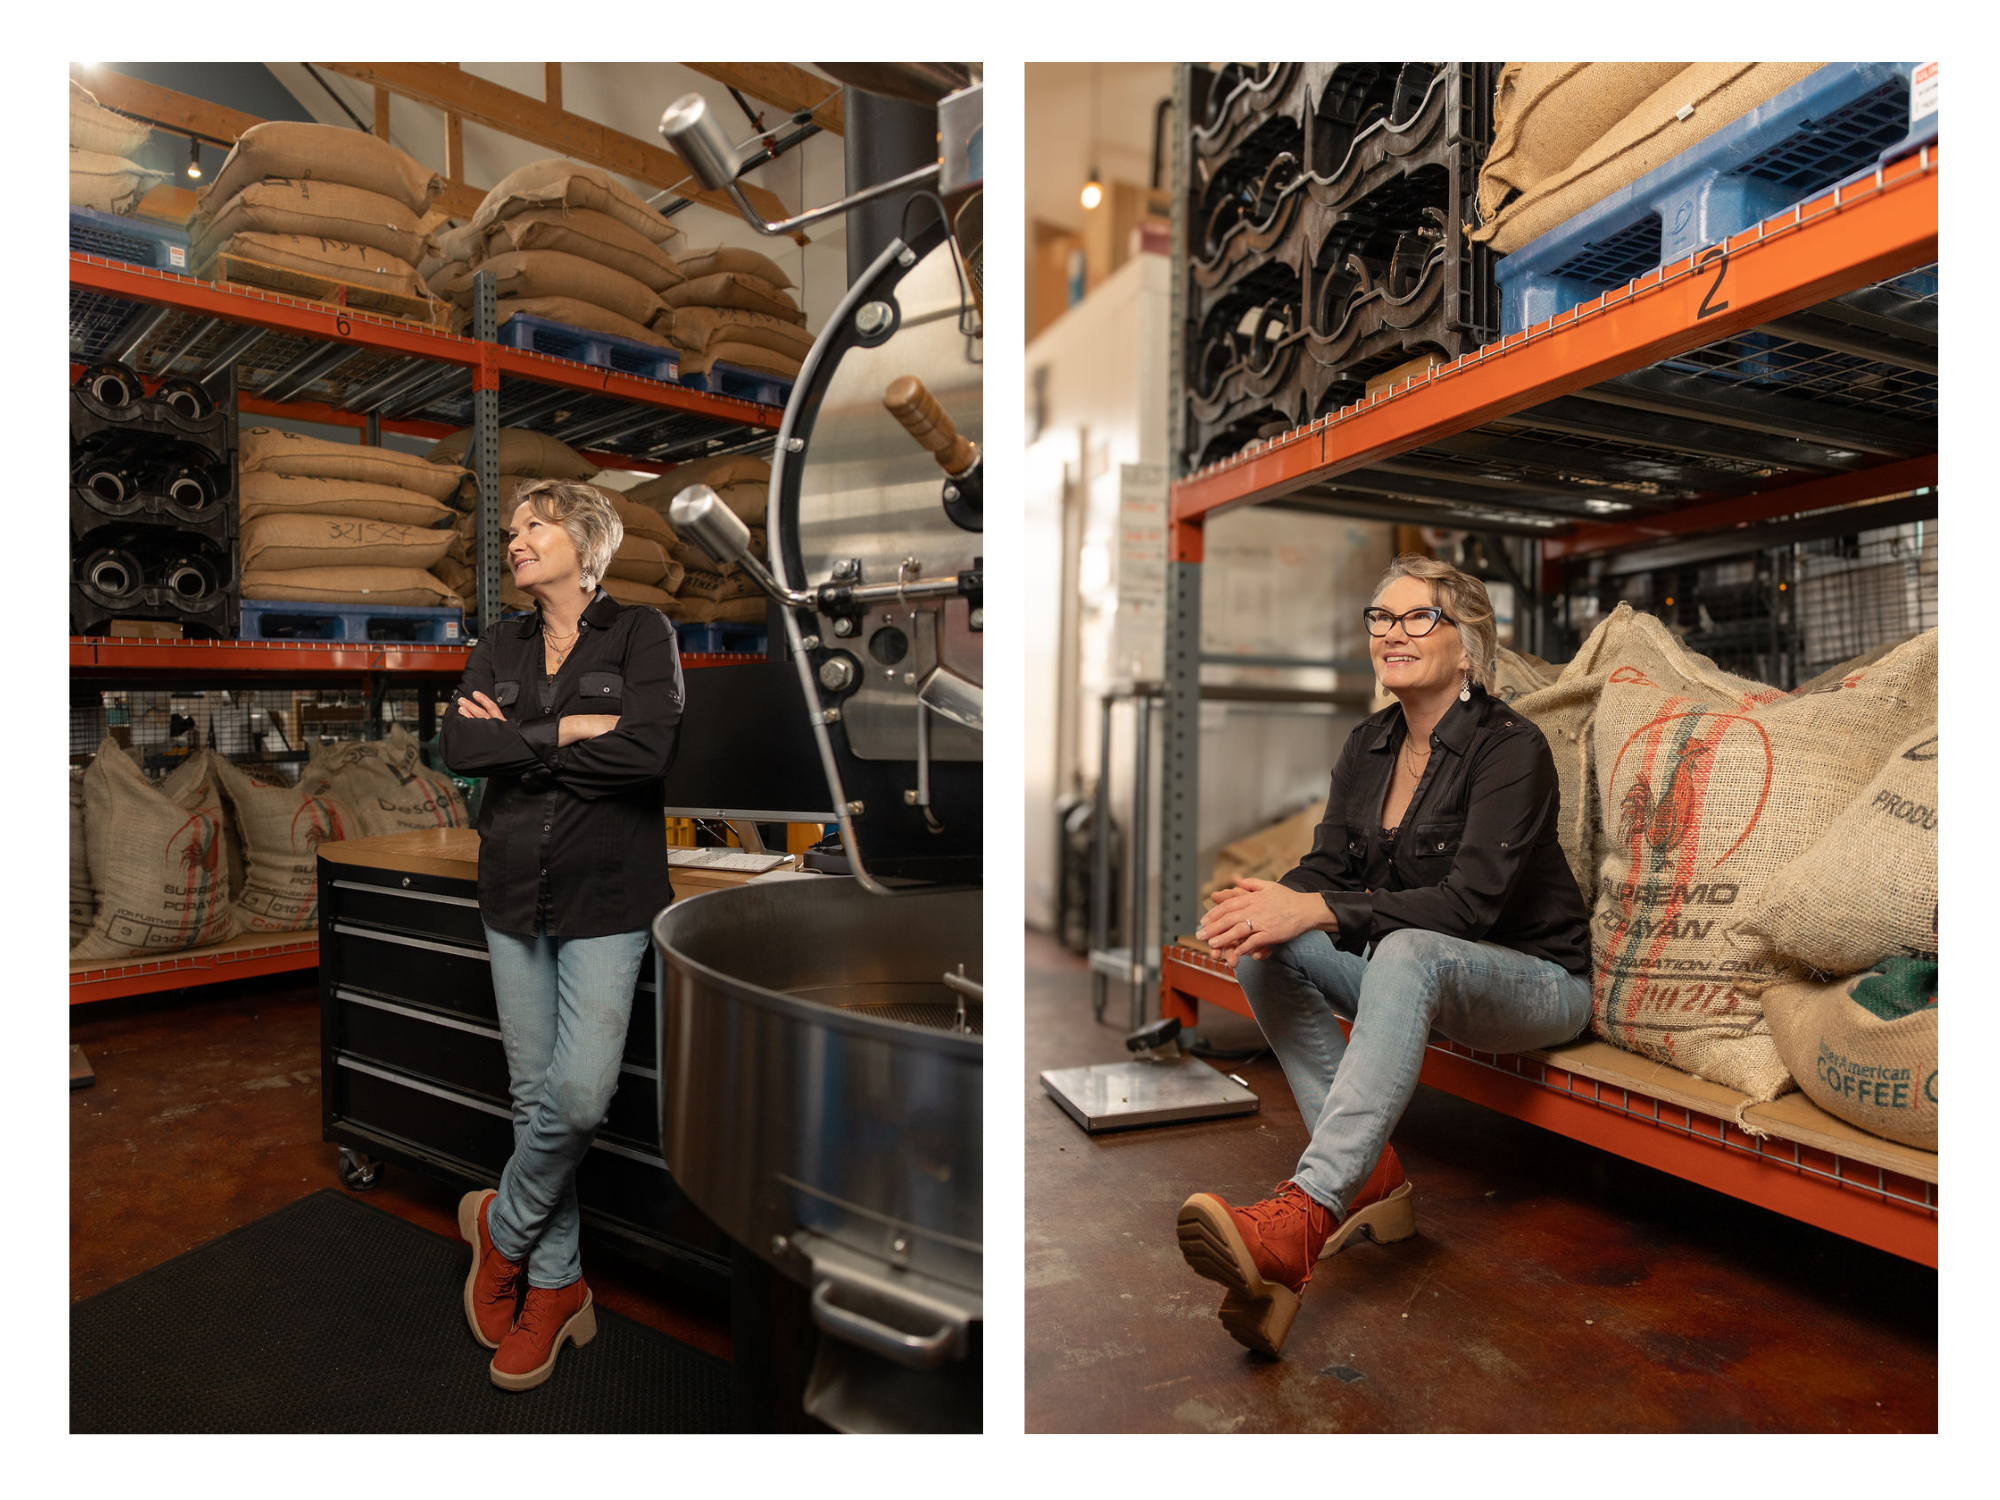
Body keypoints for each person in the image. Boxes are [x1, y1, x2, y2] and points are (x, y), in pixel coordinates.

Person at [1178, 554, 1591, 1358]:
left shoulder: (1512, 749)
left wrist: (1319, 906)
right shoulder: (1369, 744)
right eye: (1380, 617)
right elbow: (1326, 871)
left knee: (1404, 949)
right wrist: (1268, 906)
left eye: (1417, 618)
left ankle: (1308, 1209)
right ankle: (1363, 1175)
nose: (1391, 633)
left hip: (1534, 983)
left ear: (1467, 645)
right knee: (1271, 948)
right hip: (1422, 973)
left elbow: (1471, 907)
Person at [439, 478, 684, 1391]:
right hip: (510, 891)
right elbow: (462, 751)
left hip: (607, 899)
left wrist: (525, 741)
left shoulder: (641, 633)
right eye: (511, 531)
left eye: (534, 527)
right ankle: (555, 1285)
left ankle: (499, 1230)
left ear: (586, 542)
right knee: (534, 1093)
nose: (515, 541)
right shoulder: (496, 643)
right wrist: (572, 729)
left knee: (578, 1097)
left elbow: (648, 751)